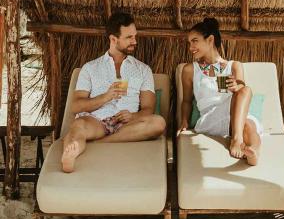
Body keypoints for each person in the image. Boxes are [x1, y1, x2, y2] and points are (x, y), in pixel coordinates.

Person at [61, 10, 165, 172]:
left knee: (158, 122)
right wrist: (105, 97)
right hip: (97, 122)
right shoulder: (90, 68)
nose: (134, 41)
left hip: (127, 126)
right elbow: (76, 106)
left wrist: (133, 116)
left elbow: (148, 108)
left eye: (134, 36)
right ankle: (70, 155)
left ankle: (101, 143)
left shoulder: (143, 70)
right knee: (78, 126)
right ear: (113, 39)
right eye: (129, 37)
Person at [178, 17, 262, 164]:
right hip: (211, 119)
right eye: (189, 42)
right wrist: (184, 122)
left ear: (210, 40)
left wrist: (237, 87)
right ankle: (237, 140)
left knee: (247, 119)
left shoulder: (234, 66)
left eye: (195, 41)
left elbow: (241, 91)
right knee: (245, 110)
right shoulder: (190, 70)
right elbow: (186, 100)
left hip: (234, 118)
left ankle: (252, 152)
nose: (190, 47)